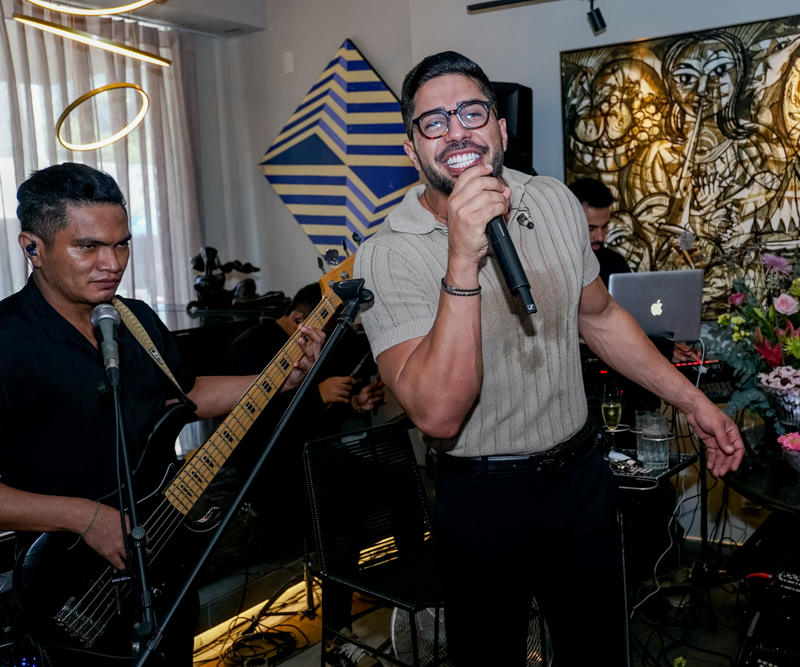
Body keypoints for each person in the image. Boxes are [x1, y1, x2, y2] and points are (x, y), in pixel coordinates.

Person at [355, 51, 744, 666]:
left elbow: (601, 317)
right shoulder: (387, 253)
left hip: (580, 480)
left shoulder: (554, 200)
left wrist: (692, 400)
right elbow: (438, 415)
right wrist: (462, 258)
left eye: (472, 112)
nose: (456, 131)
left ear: (500, 128)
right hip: (482, 500)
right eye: (434, 122)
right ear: (412, 149)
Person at [0, 163, 323, 666]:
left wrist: (280, 380)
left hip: (161, 562)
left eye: (122, 244)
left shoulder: (136, 319)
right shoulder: (2, 345)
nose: (112, 263)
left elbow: (185, 395)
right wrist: (83, 517)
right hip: (69, 588)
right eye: (88, 247)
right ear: (32, 247)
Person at [224, 283, 384, 667]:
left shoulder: (305, 344)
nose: (325, 344)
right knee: (342, 514)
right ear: (300, 320)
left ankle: (403, 591)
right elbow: (250, 432)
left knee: (396, 483)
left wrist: (353, 404)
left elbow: (313, 421)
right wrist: (318, 397)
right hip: (270, 475)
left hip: (310, 459)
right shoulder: (250, 349)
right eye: (322, 332)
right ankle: (337, 636)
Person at [568, 177, 631, 287]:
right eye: (591, 229)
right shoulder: (552, 266)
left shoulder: (615, 263)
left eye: (605, 227)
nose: (600, 237)